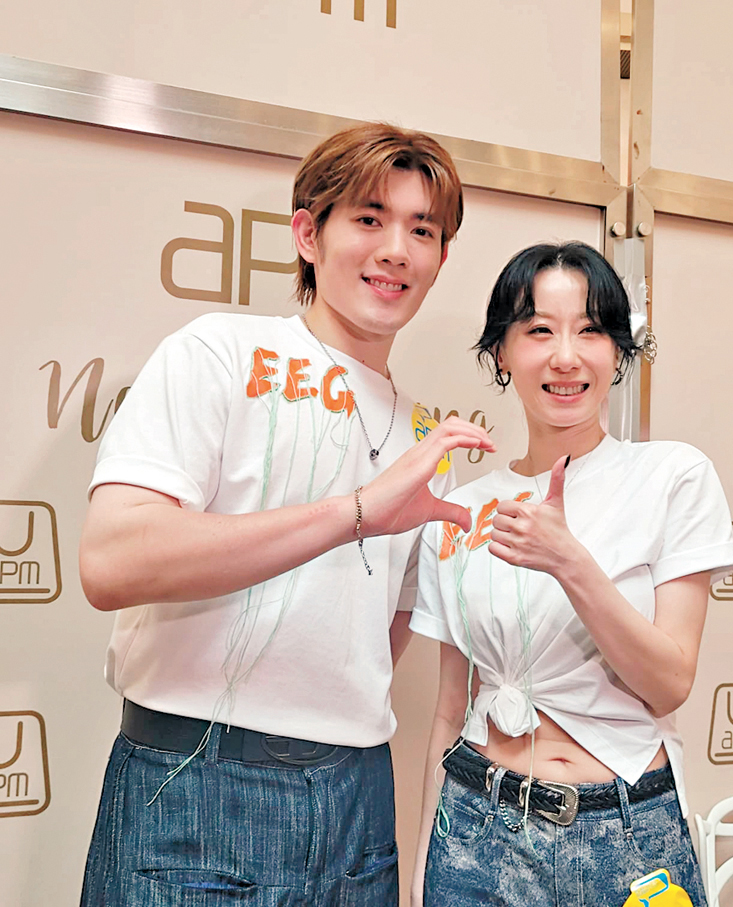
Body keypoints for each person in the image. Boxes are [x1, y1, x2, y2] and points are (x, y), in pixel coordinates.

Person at [78, 122, 494, 906]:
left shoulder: (421, 433)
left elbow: (382, 628)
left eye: (422, 230)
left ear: (442, 258)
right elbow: (112, 560)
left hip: (357, 792)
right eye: (368, 218)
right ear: (308, 233)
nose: (396, 250)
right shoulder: (218, 353)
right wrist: (357, 511)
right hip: (199, 778)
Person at [410, 242, 733, 906]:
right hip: (474, 828)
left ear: (617, 351)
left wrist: (569, 562)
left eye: (589, 330)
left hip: (626, 833)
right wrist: (423, 864)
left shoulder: (671, 477)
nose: (566, 356)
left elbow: (668, 683)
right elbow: (450, 708)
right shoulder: (462, 509)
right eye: (539, 330)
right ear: (501, 353)